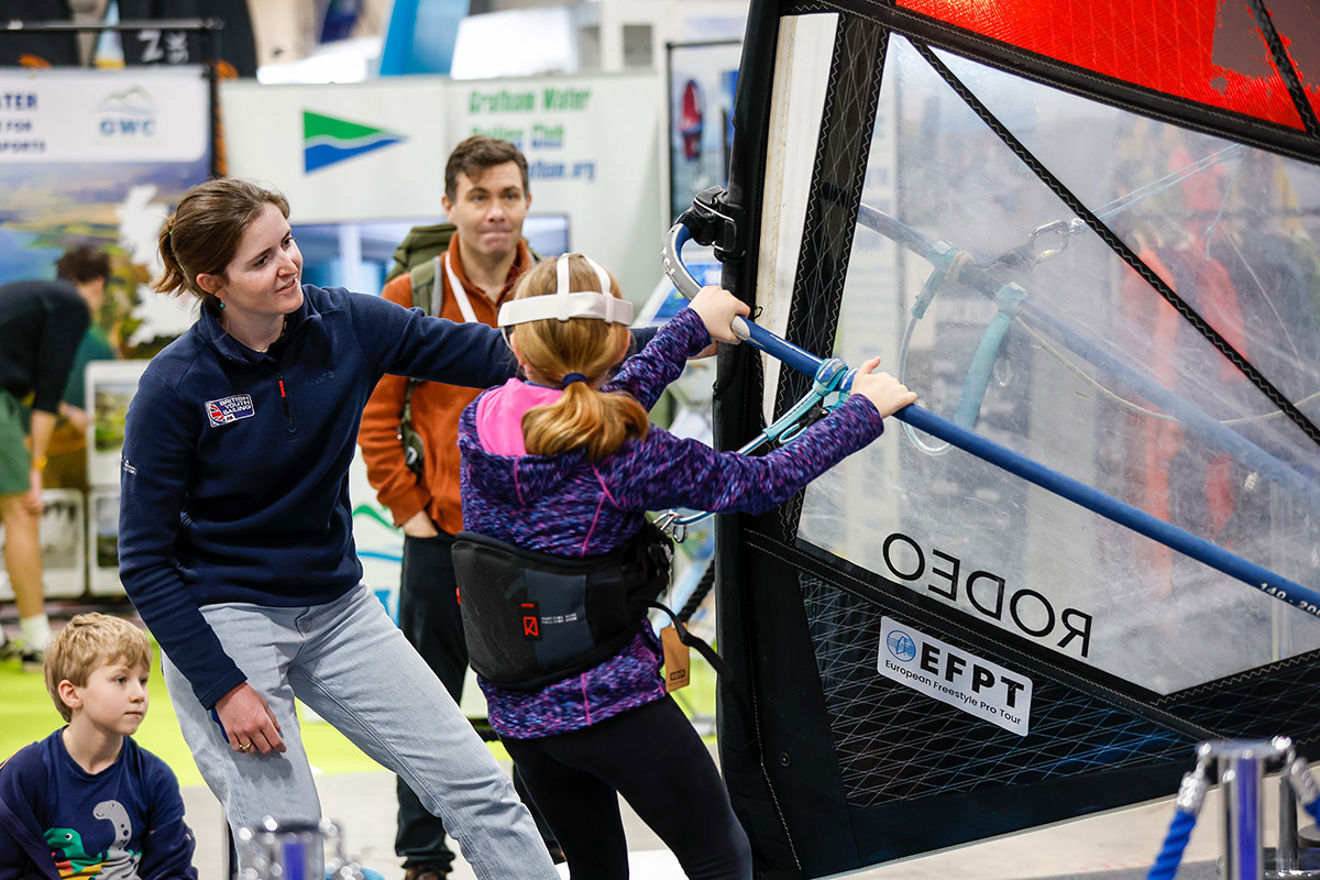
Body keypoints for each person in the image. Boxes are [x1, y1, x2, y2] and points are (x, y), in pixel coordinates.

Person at [115, 177, 559, 880]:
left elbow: (505, 357)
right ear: (212, 284)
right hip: (225, 618)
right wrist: (222, 686)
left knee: (481, 790)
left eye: (286, 242)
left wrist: (675, 339)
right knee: (289, 849)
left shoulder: (347, 322)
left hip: (338, 609)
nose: (287, 264)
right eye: (261, 260)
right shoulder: (175, 387)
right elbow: (143, 561)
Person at [454, 253, 918, 879]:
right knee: (720, 856)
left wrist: (690, 327)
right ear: (620, 340)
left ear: (516, 343)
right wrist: (862, 412)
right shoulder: (624, 451)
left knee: (595, 869)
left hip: (520, 711)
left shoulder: (479, 422)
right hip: (611, 706)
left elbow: (591, 410)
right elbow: (758, 481)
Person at [357, 135, 559, 878]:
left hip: (533, 537)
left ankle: (545, 838)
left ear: (527, 202)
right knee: (425, 703)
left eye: (508, 195)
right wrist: (409, 510)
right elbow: (375, 414)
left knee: (541, 695)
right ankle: (422, 853)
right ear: (450, 205)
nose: (495, 212)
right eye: (479, 197)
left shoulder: (553, 290)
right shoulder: (411, 294)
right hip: (440, 536)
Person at [0, 612, 198, 880]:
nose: (139, 694)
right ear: (72, 693)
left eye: (142, 680)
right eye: (121, 680)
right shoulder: (24, 775)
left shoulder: (154, 778)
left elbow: (173, 870)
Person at [0, 250, 96, 667]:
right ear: (98, 285)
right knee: (22, 509)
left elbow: (26, 381)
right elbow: (48, 390)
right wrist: (37, 468)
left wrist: (66, 411)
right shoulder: (72, 304)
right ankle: (38, 640)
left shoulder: (36, 298)